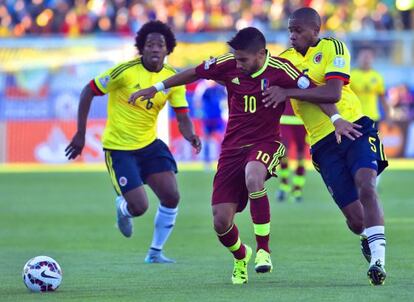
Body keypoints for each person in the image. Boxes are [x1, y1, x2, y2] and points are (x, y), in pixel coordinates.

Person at [129, 27, 358, 284]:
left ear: (261, 54)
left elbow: (317, 92)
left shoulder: (282, 69)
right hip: (231, 150)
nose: (237, 64)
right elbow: (194, 72)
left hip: (266, 142)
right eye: (236, 58)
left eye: (243, 60)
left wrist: (336, 118)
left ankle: (263, 250)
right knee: (220, 221)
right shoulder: (229, 63)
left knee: (254, 175)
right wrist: (157, 87)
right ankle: (242, 255)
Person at [262, 7, 388, 286]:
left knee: (366, 184)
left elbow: (332, 92)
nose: (292, 36)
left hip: (354, 125)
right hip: (321, 142)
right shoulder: (286, 61)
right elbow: (262, 84)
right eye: (289, 30)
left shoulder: (334, 47)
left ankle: (378, 260)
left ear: (315, 31)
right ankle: (369, 237)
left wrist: (289, 91)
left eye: (298, 30)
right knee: (356, 221)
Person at [65, 21, 201, 264]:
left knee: (172, 196)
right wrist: (80, 133)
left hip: (149, 145)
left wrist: (190, 135)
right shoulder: (125, 72)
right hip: (120, 149)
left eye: (160, 45)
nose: (155, 49)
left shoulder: (172, 78)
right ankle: (123, 209)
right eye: (149, 45)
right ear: (142, 48)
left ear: (168, 49)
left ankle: (155, 253)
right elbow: (88, 90)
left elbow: (182, 117)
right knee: (139, 207)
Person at [351, 47, 392, 128]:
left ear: (373, 58)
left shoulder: (377, 76)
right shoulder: (351, 75)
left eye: (368, 56)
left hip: (373, 117)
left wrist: (388, 116)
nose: (366, 59)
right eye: (363, 56)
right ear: (358, 57)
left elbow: (383, 98)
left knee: (372, 140)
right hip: (355, 118)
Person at [277, 101, 307, 202]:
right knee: (283, 153)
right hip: (285, 119)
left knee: (301, 155)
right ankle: (284, 186)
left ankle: (297, 189)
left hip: (302, 120)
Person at [193, 80, 227, 170]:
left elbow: (225, 97)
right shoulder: (203, 86)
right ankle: (206, 162)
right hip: (207, 117)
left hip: (218, 116)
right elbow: (197, 99)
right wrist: (199, 112)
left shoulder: (220, 86)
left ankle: (223, 161)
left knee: (224, 137)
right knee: (207, 138)